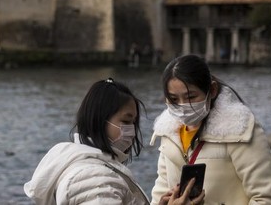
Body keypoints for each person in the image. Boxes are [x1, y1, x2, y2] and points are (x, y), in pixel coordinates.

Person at [24, 78, 202, 205]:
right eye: (125, 121)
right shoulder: (95, 179)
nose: (131, 130)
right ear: (100, 120)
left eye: (133, 123)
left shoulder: (87, 165)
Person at [150, 54, 271, 204]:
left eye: (191, 97)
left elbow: (269, 199)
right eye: (174, 99)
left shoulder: (239, 130)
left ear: (212, 90)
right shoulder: (169, 134)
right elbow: (159, 195)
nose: (182, 106)